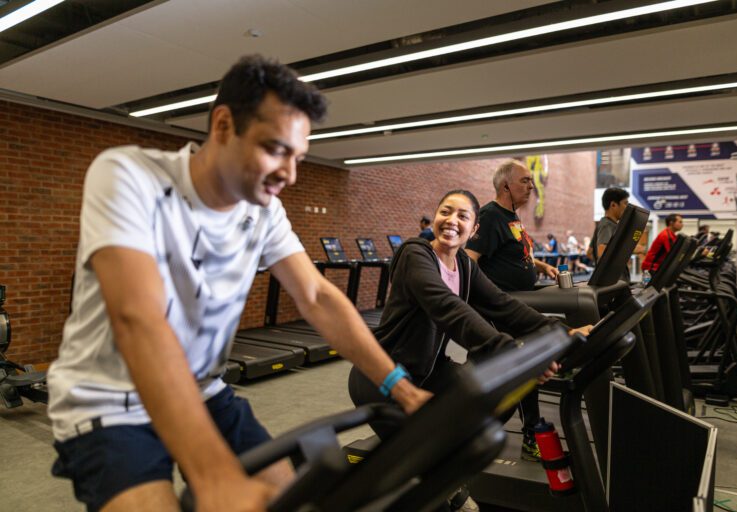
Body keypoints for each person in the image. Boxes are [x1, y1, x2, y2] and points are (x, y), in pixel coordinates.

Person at [46, 55, 431, 512]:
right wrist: (215, 477)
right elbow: (139, 320)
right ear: (224, 125)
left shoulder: (263, 212)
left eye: (299, 157)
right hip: (109, 403)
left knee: (289, 499)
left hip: (204, 391)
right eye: (276, 149)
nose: (289, 173)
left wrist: (402, 389)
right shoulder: (130, 176)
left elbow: (317, 296)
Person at [349, 190, 589, 509]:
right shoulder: (415, 254)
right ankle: (449, 494)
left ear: (474, 230)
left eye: (463, 216)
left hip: (430, 372)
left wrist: (562, 332)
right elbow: (447, 308)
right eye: (445, 212)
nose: (451, 220)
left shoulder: (464, 264)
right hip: (383, 376)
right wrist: (511, 351)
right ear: (435, 217)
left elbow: (502, 305)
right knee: (428, 467)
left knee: (485, 407)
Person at [463, 159, 557, 462]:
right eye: (525, 181)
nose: (531, 187)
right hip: (500, 309)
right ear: (506, 185)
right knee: (510, 366)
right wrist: (483, 307)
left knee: (519, 365)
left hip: (519, 303)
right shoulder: (490, 216)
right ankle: (524, 431)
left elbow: (516, 254)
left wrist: (542, 266)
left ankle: (525, 429)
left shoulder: (511, 218)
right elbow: (469, 260)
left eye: (531, 181)